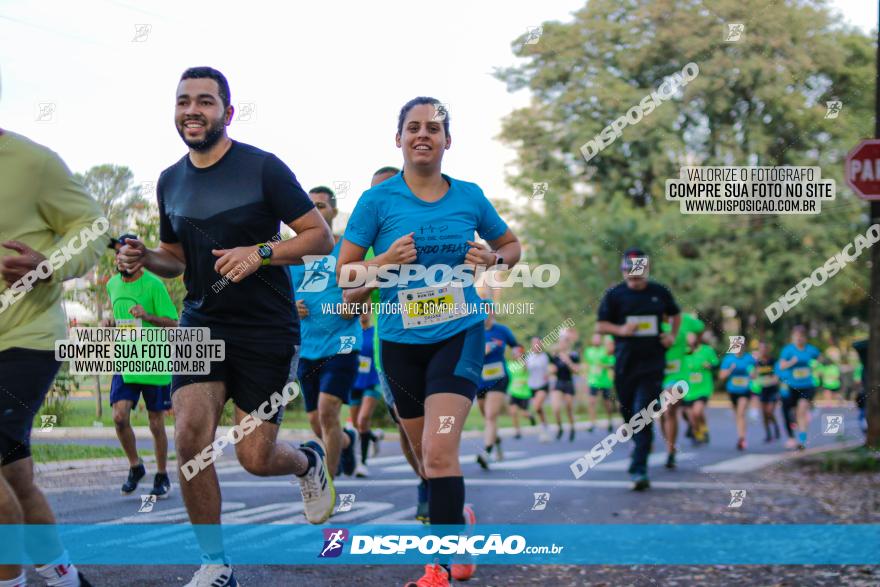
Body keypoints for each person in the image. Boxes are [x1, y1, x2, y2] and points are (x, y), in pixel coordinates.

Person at [117, 67, 336, 587]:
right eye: (183, 101)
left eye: (205, 101)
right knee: (191, 437)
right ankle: (215, 564)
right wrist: (145, 255)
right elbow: (175, 258)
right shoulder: (170, 180)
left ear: (227, 112)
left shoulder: (263, 168)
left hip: (266, 329)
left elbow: (319, 236)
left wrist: (260, 252)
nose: (193, 109)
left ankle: (307, 461)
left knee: (255, 456)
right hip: (201, 321)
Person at [338, 97, 521, 587]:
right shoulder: (376, 202)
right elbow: (345, 275)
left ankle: (437, 569)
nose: (423, 135)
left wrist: (494, 262)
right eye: (413, 127)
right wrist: (385, 263)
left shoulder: (469, 195)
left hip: (458, 336)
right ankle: (456, 520)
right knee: (424, 455)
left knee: (440, 452)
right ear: (398, 138)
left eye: (434, 129)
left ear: (447, 141)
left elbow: (510, 246)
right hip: (399, 344)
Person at [0, 128, 102, 587]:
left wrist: (50, 266)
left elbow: (91, 229)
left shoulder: (32, 161)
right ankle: (65, 579)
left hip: (26, 339)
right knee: (15, 479)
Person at [342, 165, 430, 521]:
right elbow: (350, 299)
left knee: (438, 429)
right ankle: (426, 481)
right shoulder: (374, 250)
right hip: (392, 350)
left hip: (442, 346)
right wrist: (381, 270)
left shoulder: (431, 228)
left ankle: (440, 487)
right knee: (407, 430)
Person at [597, 248, 681, 491]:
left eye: (639, 277)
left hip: (652, 364)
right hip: (625, 364)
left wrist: (671, 336)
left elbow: (676, 315)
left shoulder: (659, 292)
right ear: (623, 272)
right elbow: (602, 325)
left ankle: (639, 468)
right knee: (629, 417)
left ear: (647, 271)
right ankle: (640, 444)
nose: (635, 282)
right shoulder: (614, 294)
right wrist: (621, 331)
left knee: (641, 414)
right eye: (630, 277)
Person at [291, 185, 360, 480]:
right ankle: (346, 441)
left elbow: (366, 286)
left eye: (321, 206)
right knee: (317, 422)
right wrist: (291, 307)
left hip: (342, 343)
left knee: (328, 410)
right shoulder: (292, 254)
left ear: (332, 211)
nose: (316, 211)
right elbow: (279, 297)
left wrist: (354, 304)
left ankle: (328, 484)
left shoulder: (348, 248)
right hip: (307, 348)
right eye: (310, 207)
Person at [106, 234, 179, 498]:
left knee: (156, 423)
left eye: (130, 256)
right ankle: (135, 466)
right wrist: (110, 324)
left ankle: (161, 474)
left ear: (140, 260)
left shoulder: (154, 285)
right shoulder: (112, 284)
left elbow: (174, 323)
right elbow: (119, 317)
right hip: (125, 361)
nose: (123, 261)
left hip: (154, 361)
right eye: (120, 255)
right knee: (119, 417)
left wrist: (148, 316)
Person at [475, 305, 521, 468]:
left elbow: (516, 345)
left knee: (491, 415)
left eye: (486, 311)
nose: (483, 314)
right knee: (487, 417)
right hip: (480, 381)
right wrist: (481, 351)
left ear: (492, 312)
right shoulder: (473, 331)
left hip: (499, 378)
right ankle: (497, 440)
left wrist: (517, 352)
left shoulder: (502, 330)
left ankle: (485, 453)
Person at [660, 312, 704, 468]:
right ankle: (669, 446)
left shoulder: (683, 319)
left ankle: (670, 452)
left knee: (669, 410)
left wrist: (695, 343)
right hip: (657, 373)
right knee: (661, 415)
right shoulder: (653, 319)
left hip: (678, 375)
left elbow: (700, 327)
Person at [350, 311, 385, 477]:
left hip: (373, 381)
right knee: (358, 425)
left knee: (363, 420)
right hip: (355, 382)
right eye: (360, 310)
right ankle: (373, 437)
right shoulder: (352, 331)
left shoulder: (376, 333)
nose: (363, 314)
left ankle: (362, 463)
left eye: (367, 310)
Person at [778, 325, 821, 450]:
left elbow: (820, 359)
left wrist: (816, 365)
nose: (799, 339)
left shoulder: (811, 350)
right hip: (792, 386)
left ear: (805, 337)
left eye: (801, 336)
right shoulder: (788, 350)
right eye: (796, 336)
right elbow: (781, 366)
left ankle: (802, 439)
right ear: (793, 337)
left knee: (802, 410)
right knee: (795, 412)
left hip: (807, 386)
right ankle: (797, 433)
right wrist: (791, 362)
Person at [682, 331, 718, 444]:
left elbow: (716, 363)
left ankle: (701, 432)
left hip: (703, 388)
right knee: (691, 416)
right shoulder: (683, 353)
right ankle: (697, 433)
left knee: (697, 412)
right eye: (688, 337)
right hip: (687, 390)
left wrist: (710, 365)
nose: (691, 340)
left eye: (692, 336)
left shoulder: (706, 350)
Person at [719, 341, 756, 450]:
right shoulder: (728, 359)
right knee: (737, 415)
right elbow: (721, 377)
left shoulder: (749, 358)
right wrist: (730, 370)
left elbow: (754, 374)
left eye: (741, 345)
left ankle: (742, 438)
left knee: (741, 413)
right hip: (732, 391)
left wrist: (752, 374)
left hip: (745, 390)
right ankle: (741, 435)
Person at [549, 330, 580, 441]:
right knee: (556, 408)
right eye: (560, 342)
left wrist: (568, 361)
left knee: (569, 409)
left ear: (567, 343)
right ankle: (560, 427)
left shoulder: (573, 355)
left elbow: (577, 371)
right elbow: (551, 369)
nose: (562, 344)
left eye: (564, 342)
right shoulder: (555, 356)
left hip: (568, 383)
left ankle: (572, 428)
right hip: (558, 383)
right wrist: (552, 370)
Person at [584, 333, 616, 433]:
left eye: (598, 339)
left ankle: (609, 421)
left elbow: (612, 363)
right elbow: (586, 365)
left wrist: (603, 366)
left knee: (607, 404)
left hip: (605, 382)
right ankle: (592, 423)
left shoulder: (606, 350)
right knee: (591, 402)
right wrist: (585, 377)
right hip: (593, 381)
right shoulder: (588, 351)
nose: (596, 340)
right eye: (595, 339)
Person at [751, 340, 781, 443]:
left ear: (767, 349)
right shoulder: (757, 362)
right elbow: (754, 376)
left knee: (769, 412)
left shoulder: (773, 361)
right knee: (764, 413)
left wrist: (773, 380)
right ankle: (768, 434)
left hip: (773, 390)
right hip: (762, 390)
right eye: (761, 348)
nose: (763, 350)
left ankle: (776, 427)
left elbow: (777, 375)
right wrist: (753, 376)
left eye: (764, 348)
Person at [524, 336, 552, 442]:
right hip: (532, 386)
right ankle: (545, 429)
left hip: (543, 385)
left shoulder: (546, 356)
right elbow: (525, 370)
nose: (536, 345)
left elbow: (553, 367)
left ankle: (532, 418)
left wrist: (549, 372)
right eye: (534, 343)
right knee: (540, 410)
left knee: (536, 406)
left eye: (538, 343)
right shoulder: (528, 357)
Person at [506, 352, 534, 439]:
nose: (516, 355)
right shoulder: (509, 364)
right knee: (513, 412)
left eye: (519, 354)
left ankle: (530, 416)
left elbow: (528, 372)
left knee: (523, 413)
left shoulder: (525, 365)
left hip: (524, 393)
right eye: (515, 354)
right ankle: (517, 431)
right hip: (513, 392)